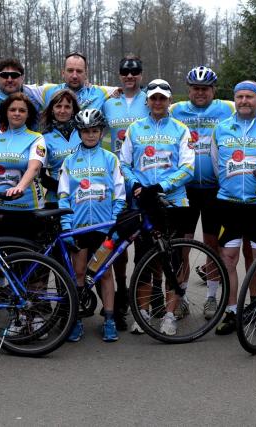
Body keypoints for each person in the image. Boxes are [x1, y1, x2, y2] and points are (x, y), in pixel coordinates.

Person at [120, 79, 195, 336]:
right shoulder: (134, 129)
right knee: (143, 260)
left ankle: (170, 315)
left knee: (172, 262)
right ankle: (142, 314)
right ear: (147, 101)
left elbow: (188, 168)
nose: (158, 102)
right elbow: (124, 164)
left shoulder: (181, 130)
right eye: (154, 98)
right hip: (143, 202)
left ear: (169, 101)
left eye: (163, 98)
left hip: (173, 202)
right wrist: (137, 185)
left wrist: (160, 186)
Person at [210, 81, 256, 335]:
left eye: (249, 96)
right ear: (234, 99)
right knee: (228, 258)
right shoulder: (221, 129)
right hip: (228, 203)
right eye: (239, 96)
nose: (244, 101)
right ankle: (230, 311)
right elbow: (216, 163)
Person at [169, 66, 235, 320]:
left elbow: (255, 99)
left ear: (213, 90)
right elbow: (148, 103)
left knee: (212, 244)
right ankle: (181, 296)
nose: (200, 93)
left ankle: (211, 298)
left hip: (213, 188)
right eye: (195, 89)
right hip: (184, 189)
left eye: (205, 89)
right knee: (182, 246)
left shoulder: (226, 108)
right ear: (188, 90)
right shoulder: (177, 110)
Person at [58, 109, 126, 342]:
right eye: (86, 131)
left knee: (104, 273)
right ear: (79, 132)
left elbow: (119, 193)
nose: (90, 135)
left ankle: (109, 319)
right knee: (78, 273)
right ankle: (75, 320)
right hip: (78, 227)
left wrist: (114, 221)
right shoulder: (70, 161)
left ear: (101, 132)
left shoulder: (110, 158)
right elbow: (64, 195)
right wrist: (66, 224)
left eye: (94, 130)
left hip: (102, 227)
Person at [101, 55, 149, 330]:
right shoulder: (109, 100)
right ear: (119, 74)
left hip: (142, 178)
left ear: (141, 74)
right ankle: (120, 293)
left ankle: (146, 295)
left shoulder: (150, 98)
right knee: (118, 241)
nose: (129, 76)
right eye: (124, 72)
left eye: (134, 72)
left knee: (146, 241)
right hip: (115, 178)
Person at [0, 92, 47, 241]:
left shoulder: (36, 138)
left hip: (27, 207)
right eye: (12, 109)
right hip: (0, 207)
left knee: (27, 258)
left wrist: (20, 187)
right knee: (1, 258)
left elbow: (34, 168)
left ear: (28, 115)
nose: (17, 113)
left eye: (22, 110)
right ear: (5, 112)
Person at [0, 58, 43, 137]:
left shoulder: (35, 101)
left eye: (14, 75)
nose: (9, 79)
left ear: (22, 78)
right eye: (4, 75)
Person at [40, 89, 82, 207]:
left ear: (73, 110)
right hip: (56, 200)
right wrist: (63, 188)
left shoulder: (83, 132)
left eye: (67, 107)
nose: (62, 111)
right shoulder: (43, 137)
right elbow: (41, 176)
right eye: (58, 106)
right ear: (52, 109)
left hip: (84, 196)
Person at [41, 52, 118, 111]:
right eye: (70, 70)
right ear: (63, 73)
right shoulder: (48, 91)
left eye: (79, 71)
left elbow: (126, 89)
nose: (74, 76)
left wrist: (119, 92)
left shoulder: (99, 92)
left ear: (86, 74)